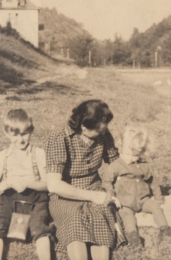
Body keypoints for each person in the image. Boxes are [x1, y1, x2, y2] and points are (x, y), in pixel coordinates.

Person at [45, 99, 126, 260]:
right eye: (100, 131)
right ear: (83, 127)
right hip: (65, 192)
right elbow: (54, 185)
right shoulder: (59, 138)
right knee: (74, 219)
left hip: (94, 186)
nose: (104, 133)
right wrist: (92, 196)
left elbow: (116, 164)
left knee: (101, 216)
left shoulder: (103, 134)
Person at [0, 109, 54, 260]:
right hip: (10, 197)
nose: (20, 139)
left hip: (36, 197)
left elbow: (48, 185)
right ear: (7, 134)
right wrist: (0, 185)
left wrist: (28, 183)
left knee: (39, 226)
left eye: (24, 133)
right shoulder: (3, 156)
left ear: (31, 130)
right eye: (15, 135)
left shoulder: (38, 154)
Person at [101, 123, 171, 250]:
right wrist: (112, 196)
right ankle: (133, 237)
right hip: (124, 202)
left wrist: (159, 199)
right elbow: (106, 181)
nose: (132, 158)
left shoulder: (144, 165)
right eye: (129, 154)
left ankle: (165, 230)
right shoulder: (116, 165)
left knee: (156, 207)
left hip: (143, 199)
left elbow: (153, 182)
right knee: (127, 217)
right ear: (120, 147)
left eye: (136, 156)